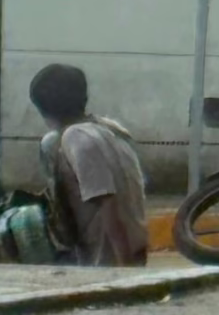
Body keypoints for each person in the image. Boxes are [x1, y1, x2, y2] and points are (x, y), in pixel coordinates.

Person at [31, 64, 149, 267]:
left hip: (107, 260)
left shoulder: (76, 138)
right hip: (133, 247)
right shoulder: (110, 128)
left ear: (44, 109)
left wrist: (125, 271)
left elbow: (107, 202)